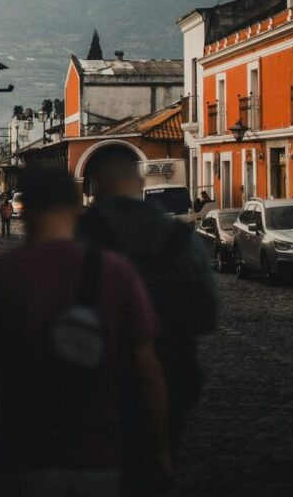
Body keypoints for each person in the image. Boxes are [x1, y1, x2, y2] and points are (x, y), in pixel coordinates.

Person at [0, 167, 174, 497]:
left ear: (24, 208)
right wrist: (161, 448)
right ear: (78, 205)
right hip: (98, 458)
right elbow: (148, 371)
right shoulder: (117, 274)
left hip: (20, 459)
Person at [78, 147, 218, 488]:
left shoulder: (78, 236)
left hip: (93, 377)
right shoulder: (180, 239)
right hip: (172, 368)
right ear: (140, 183)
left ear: (95, 188)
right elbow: (208, 315)